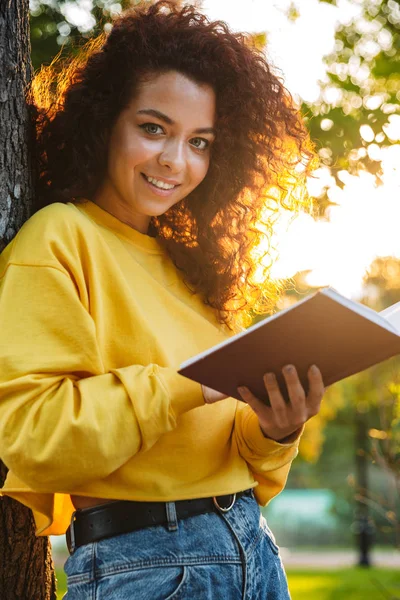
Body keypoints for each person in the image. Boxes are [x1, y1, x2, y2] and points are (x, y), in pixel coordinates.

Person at [0, 2, 325, 598]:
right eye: (154, 129)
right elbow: (36, 438)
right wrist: (191, 383)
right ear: (105, 122)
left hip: (253, 550)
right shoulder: (59, 238)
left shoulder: (195, 269)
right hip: (147, 567)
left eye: (200, 141)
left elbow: (231, 452)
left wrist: (276, 430)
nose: (177, 162)